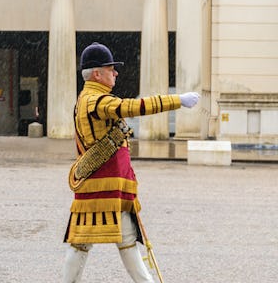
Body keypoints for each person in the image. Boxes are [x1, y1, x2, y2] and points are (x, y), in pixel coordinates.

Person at [63, 42, 199, 283]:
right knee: (91, 244)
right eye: (111, 68)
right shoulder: (97, 101)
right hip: (102, 187)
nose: (115, 73)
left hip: (106, 186)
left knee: (106, 243)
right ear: (97, 73)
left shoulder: (89, 98)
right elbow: (134, 107)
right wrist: (177, 100)